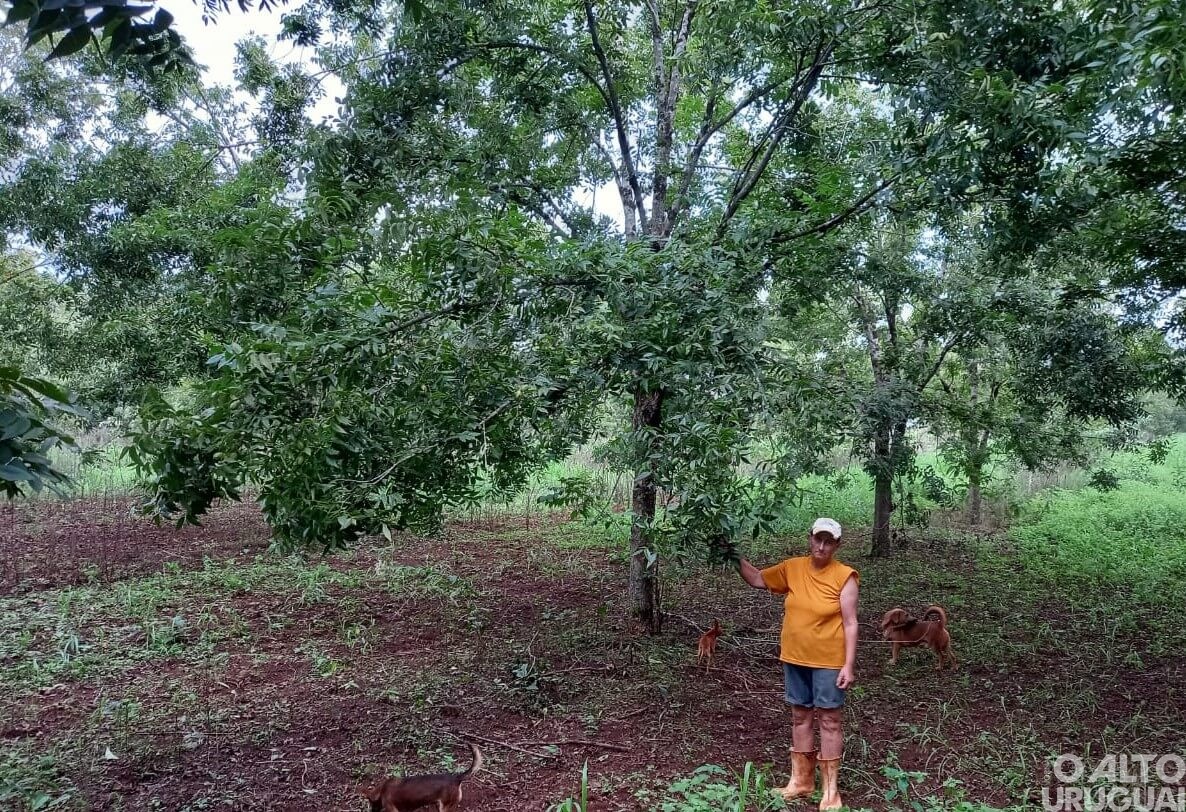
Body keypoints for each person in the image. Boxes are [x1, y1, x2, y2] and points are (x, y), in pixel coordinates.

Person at [737, 517, 859, 810]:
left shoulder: (845, 576)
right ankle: (802, 781)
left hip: (829, 660)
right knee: (800, 716)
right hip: (795, 657)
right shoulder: (792, 568)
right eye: (818, 538)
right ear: (810, 538)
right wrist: (732, 554)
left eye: (829, 541)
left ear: (837, 545)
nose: (822, 545)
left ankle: (830, 791)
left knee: (829, 720)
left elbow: (851, 623)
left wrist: (848, 665)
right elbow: (756, 578)